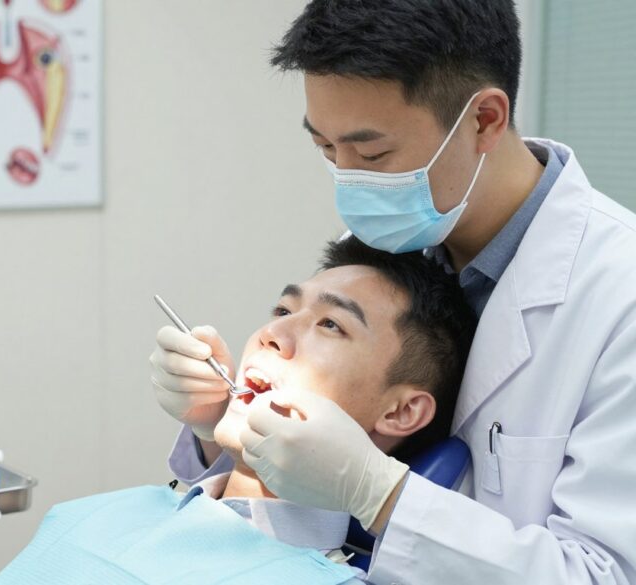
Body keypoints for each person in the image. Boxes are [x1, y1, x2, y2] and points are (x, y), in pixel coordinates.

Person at [150, 1, 636, 583]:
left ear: (484, 119)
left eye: (373, 154)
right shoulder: (388, 234)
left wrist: (380, 495)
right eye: (326, 149)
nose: (349, 180)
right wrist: (218, 433)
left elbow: (602, 573)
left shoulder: (617, 293)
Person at [0, 238, 475, 584]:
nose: (272, 335)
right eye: (284, 311)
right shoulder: (93, 513)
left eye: (330, 324)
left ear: (401, 412)